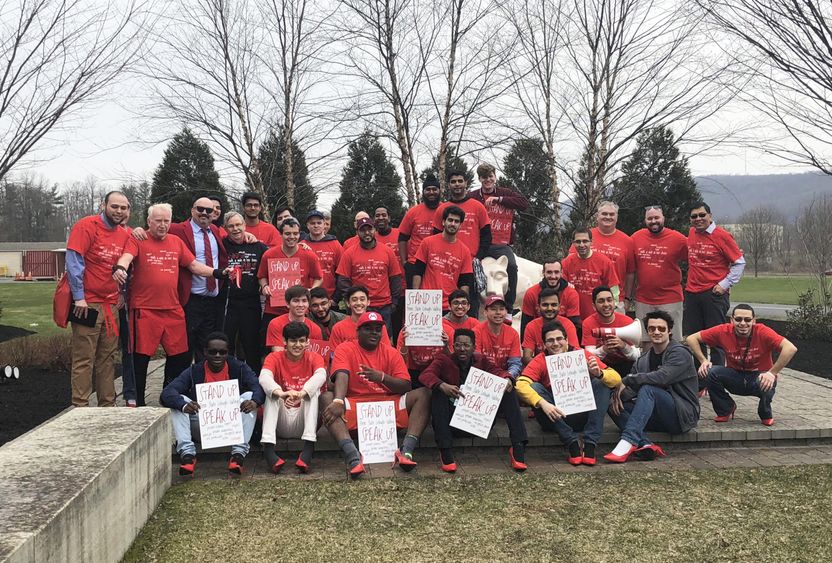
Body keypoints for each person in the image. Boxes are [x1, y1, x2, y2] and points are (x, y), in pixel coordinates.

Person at [113, 203, 230, 405]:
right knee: (140, 359)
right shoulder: (138, 238)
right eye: (158, 221)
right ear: (149, 221)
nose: (162, 225)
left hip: (173, 309)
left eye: (166, 220)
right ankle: (138, 401)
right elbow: (127, 256)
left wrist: (217, 273)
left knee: (179, 356)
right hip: (145, 309)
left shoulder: (176, 242)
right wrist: (120, 268)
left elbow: (193, 265)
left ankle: (169, 396)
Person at [321, 312, 432, 477]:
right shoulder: (345, 348)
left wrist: (382, 377)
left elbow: (406, 386)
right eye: (368, 328)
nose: (374, 332)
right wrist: (338, 401)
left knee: (424, 393)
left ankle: (406, 451)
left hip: (387, 405)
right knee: (327, 397)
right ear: (358, 332)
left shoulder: (391, 352)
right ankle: (353, 456)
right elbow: (341, 374)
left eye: (378, 329)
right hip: (356, 405)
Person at [419, 329, 529, 472]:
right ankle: (445, 450)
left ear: (474, 346)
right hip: (452, 422)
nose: (462, 349)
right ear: (453, 346)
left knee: (508, 389)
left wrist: (507, 378)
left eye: (466, 345)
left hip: (480, 421)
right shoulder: (443, 360)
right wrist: (442, 385)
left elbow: (497, 371)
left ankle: (518, 445)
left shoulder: (481, 360)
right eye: (458, 345)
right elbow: (425, 375)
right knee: (437, 393)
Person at [516, 320, 620, 465]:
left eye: (559, 339)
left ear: (567, 340)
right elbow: (520, 384)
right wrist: (543, 403)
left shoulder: (580, 354)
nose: (555, 343)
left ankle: (590, 443)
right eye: (550, 340)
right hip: (554, 417)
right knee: (535, 387)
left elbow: (616, 378)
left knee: (600, 383)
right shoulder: (540, 359)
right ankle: (571, 442)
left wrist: (599, 373)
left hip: (581, 415)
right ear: (544, 344)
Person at [160, 332, 264, 476]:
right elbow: (167, 393)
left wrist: (254, 402)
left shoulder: (239, 367)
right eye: (213, 352)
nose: (217, 356)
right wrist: (184, 406)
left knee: (249, 397)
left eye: (222, 352)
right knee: (179, 402)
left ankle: (238, 455)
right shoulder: (194, 371)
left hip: (233, 429)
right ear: (205, 352)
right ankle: (188, 456)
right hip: (203, 428)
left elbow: (257, 387)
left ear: (228, 353)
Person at [65, 190, 131, 407]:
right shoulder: (86, 226)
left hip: (111, 304)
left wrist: (121, 294)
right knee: (84, 358)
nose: (119, 211)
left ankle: (107, 405)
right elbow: (74, 262)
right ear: (104, 206)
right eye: (114, 206)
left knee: (107, 358)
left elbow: (122, 267)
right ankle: (80, 406)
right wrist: (79, 298)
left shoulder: (124, 233)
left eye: (123, 207)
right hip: (87, 304)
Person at [605, 311, 699, 462]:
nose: (656, 332)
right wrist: (616, 395)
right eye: (652, 329)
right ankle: (645, 444)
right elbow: (631, 390)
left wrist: (628, 379)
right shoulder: (643, 359)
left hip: (681, 416)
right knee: (614, 405)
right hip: (654, 416)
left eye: (661, 329)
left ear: (669, 331)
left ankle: (628, 441)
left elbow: (662, 377)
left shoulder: (680, 353)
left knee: (649, 389)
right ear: (647, 332)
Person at [687, 304, 797, 426]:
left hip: (759, 377)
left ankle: (765, 412)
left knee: (766, 381)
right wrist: (703, 361)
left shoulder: (763, 331)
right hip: (735, 376)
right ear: (732, 320)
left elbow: (790, 348)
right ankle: (725, 408)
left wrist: (772, 373)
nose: (743, 323)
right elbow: (692, 339)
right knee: (710, 372)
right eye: (738, 319)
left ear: (754, 321)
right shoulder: (723, 331)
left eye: (748, 320)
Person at [167, 196, 230, 363]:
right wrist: (137, 232)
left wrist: (247, 235)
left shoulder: (215, 231)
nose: (204, 213)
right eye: (200, 209)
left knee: (207, 350)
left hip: (212, 301)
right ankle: (177, 387)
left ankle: (201, 386)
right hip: (189, 300)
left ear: (214, 213)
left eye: (208, 210)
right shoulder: (178, 229)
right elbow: (154, 229)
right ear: (192, 210)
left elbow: (235, 234)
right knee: (182, 350)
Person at [683, 201, 746, 367]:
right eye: (694, 216)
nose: (698, 219)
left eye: (702, 215)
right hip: (692, 293)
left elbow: (739, 262)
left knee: (717, 339)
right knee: (695, 338)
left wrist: (724, 285)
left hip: (713, 294)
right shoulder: (691, 233)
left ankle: (716, 378)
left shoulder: (722, 236)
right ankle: (700, 378)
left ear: (710, 216)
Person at [259, 322, 327, 473]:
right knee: (272, 394)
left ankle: (308, 449)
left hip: (304, 420)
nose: (298, 345)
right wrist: (282, 393)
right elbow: (264, 377)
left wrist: (302, 393)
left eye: (302, 341)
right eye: (293, 341)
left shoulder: (314, 357)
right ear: (284, 342)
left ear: (307, 342)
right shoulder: (274, 357)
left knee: (313, 392)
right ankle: (269, 450)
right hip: (281, 421)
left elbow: (321, 375)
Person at [469, 162, 529, 317]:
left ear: (495, 177)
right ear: (479, 179)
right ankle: (473, 310)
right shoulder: (473, 196)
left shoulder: (505, 192)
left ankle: (509, 308)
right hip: (479, 243)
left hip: (500, 243)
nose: (487, 180)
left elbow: (524, 203)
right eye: (484, 177)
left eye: (490, 176)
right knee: (470, 270)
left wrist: (500, 199)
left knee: (512, 266)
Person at [432, 171, 492, 315]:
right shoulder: (442, 209)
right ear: (448, 185)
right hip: (446, 266)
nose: (457, 184)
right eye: (453, 181)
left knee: (469, 305)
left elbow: (486, 235)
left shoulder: (478, 206)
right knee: (446, 304)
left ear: (466, 183)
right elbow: (436, 236)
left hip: (470, 265)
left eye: (460, 181)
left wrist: (478, 257)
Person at [336, 217, 403, 334]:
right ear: (357, 232)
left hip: (384, 306)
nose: (367, 233)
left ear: (374, 230)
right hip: (360, 306)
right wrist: (352, 300)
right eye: (363, 230)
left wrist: (394, 302)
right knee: (358, 337)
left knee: (382, 339)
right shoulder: (349, 253)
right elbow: (343, 280)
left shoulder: (387, 251)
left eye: (369, 229)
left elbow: (395, 278)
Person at [630, 205, 688, 341]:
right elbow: (628, 266)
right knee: (644, 340)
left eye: (657, 217)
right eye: (649, 218)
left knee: (672, 340)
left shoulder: (678, 238)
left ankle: (672, 363)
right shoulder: (636, 238)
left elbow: (696, 259)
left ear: (663, 219)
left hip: (671, 298)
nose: (653, 221)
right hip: (644, 299)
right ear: (645, 221)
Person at [221, 211, 268, 372]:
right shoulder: (222, 245)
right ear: (225, 229)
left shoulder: (258, 246)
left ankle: (253, 382)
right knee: (226, 344)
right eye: (231, 226)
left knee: (251, 345)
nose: (235, 229)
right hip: (228, 302)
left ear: (244, 225)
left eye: (238, 225)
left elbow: (278, 256)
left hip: (251, 302)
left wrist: (303, 246)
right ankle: (228, 380)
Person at [258, 217, 323, 331]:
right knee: (269, 346)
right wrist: (264, 286)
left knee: (298, 344)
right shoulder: (269, 254)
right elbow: (262, 276)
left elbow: (319, 278)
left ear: (299, 234)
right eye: (287, 234)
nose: (292, 237)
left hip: (299, 310)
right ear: (281, 235)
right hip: (273, 309)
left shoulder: (309, 255)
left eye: (295, 234)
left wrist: (311, 289)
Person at [570, 201, 634, 310]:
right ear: (597, 216)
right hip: (584, 299)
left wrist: (627, 298)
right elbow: (570, 263)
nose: (608, 217)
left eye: (612, 214)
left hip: (614, 300)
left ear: (617, 217)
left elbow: (630, 273)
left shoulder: (627, 241)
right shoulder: (584, 237)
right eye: (604, 214)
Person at [412, 206, 474, 313]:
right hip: (426, 302)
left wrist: (463, 306)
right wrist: (414, 298)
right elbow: (418, 271)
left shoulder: (465, 251)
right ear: (443, 222)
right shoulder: (428, 242)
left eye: (456, 221)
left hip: (450, 305)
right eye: (450, 220)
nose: (453, 224)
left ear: (460, 225)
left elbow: (465, 282)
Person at [561, 227, 619, 320]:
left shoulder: (604, 262)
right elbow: (561, 290)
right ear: (573, 243)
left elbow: (614, 290)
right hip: (573, 316)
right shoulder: (566, 263)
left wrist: (610, 311)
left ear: (591, 242)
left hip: (598, 316)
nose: (582, 245)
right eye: (578, 242)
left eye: (585, 241)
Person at [582, 286, 641, 377]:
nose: (606, 304)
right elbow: (589, 355)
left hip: (626, 365)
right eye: (601, 301)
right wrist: (604, 350)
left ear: (614, 303)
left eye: (609, 300)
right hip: (602, 366)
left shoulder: (627, 322)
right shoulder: (588, 323)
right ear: (594, 306)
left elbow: (637, 355)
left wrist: (623, 346)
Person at [520, 257, 581, 340]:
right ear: (543, 273)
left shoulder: (571, 294)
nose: (553, 276)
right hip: (538, 339)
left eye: (556, 272)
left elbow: (575, 325)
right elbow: (525, 324)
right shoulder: (531, 293)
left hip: (562, 340)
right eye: (549, 272)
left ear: (561, 273)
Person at [399, 177, 442, 287]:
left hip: (439, 263)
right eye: (428, 189)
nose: (431, 192)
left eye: (434, 189)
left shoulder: (446, 210)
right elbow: (402, 238)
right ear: (423, 192)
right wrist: (405, 262)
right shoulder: (413, 212)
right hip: (414, 263)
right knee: (415, 300)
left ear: (439, 191)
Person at [522, 288, 579, 366]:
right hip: (541, 370)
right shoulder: (531, 326)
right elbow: (526, 358)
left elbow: (575, 354)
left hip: (566, 369)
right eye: (545, 305)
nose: (549, 308)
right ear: (538, 307)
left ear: (559, 306)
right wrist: (547, 368)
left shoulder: (568, 324)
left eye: (554, 305)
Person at [474, 295, 522, 380]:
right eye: (493, 309)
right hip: (481, 378)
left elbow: (515, 363)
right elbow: (476, 362)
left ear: (506, 312)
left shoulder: (513, 333)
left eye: (501, 309)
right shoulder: (476, 331)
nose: (498, 312)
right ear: (485, 312)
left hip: (505, 378)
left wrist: (508, 377)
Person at [265, 285, 324, 352]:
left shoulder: (315, 329)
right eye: (296, 301)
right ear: (287, 304)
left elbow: (316, 357)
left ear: (308, 304)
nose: (301, 305)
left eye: (304, 301)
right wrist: (301, 348)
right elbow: (278, 353)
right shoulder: (276, 324)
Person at [303, 210, 343, 299]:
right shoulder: (301, 245)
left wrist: (336, 299)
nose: (316, 225)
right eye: (312, 223)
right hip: (306, 297)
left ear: (324, 224)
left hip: (329, 297)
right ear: (307, 226)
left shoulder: (335, 245)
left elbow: (341, 274)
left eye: (319, 223)